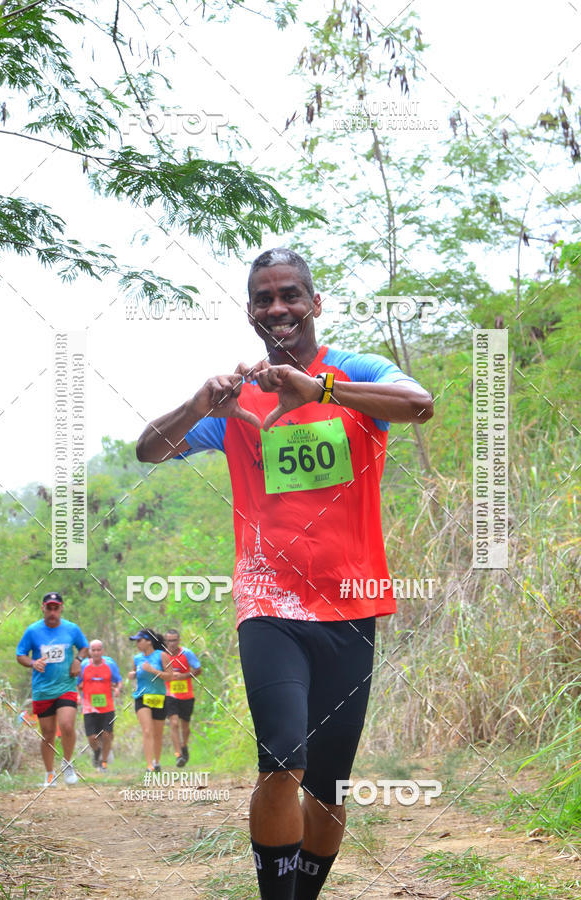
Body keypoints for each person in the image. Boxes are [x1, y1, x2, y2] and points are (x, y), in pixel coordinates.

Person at [136, 248, 433, 899]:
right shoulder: (238, 397)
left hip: (352, 606)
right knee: (282, 760)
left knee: (327, 788)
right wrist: (196, 405)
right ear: (250, 312)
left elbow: (420, 404)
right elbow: (148, 448)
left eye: (291, 295)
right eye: (265, 298)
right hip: (268, 604)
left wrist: (319, 390)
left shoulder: (354, 373)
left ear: (315, 304)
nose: (279, 309)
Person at [16, 592, 89, 786]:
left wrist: (78, 660)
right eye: (49, 607)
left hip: (66, 685)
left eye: (56, 608)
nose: (53, 612)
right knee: (48, 733)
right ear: (43, 608)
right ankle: (49, 775)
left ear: (61, 608)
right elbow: (20, 654)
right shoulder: (33, 631)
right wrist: (33, 663)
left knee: (66, 725)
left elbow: (84, 647)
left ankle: (67, 765)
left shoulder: (71, 629)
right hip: (43, 689)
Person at [129, 628, 175, 772]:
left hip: (159, 697)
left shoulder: (161, 656)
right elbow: (136, 673)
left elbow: (170, 676)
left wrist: (153, 671)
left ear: (149, 641)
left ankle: (156, 761)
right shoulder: (137, 658)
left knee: (157, 733)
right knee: (147, 730)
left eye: (139, 640)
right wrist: (133, 674)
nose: (137, 643)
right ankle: (149, 765)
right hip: (142, 697)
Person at [78, 639, 122, 771]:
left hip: (107, 706)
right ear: (89, 652)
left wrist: (118, 689)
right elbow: (76, 683)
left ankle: (103, 763)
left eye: (98, 650)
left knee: (107, 735)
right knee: (92, 737)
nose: (96, 653)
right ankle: (97, 752)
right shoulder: (84, 665)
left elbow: (118, 680)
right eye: (93, 650)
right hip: (89, 706)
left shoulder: (110, 664)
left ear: (102, 651)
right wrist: (76, 696)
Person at [163, 628, 202, 767]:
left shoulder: (187, 653)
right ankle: (178, 754)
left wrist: (184, 676)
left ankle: (184, 746)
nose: (171, 643)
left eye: (174, 640)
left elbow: (198, 669)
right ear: (165, 641)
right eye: (169, 641)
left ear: (178, 641)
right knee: (173, 723)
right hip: (169, 694)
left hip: (186, 695)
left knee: (185, 726)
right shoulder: (161, 655)